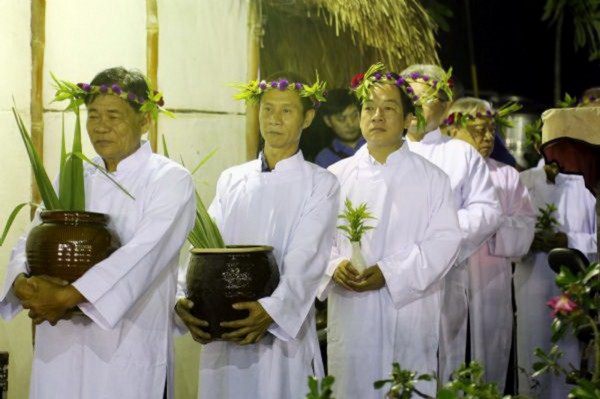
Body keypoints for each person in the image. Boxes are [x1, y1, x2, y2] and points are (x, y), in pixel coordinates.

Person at [0, 67, 195, 399]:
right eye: (93, 115)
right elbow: (33, 237)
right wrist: (21, 282)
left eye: (113, 116)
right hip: (59, 343)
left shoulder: (170, 180)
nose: (100, 127)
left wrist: (65, 296)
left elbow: (142, 256)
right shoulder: (77, 174)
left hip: (126, 346)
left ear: (144, 120)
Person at [175, 72, 339, 399]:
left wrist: (271, 311)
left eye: (287, 111)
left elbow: (306, 259)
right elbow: (206, 249)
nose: (274, 120)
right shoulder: (232, 179)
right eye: (267, 109)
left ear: (307, 118)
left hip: (279, 339)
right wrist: (184, 296)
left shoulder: (320, 184)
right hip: (224, 333)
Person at [318, 63, 462, 398]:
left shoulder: (432, 179)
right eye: (368, 108)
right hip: (352, 314)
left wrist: (389, 273)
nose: (376, 116)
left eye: (389, 108)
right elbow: (316, 239)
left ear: (410, 119)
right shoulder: (335, 176)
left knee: (405, 384)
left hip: (408, 312)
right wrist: (333, 265)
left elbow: (444, 243)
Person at [400, 64, 502, 383]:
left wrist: (439, 234)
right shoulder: (381, 151)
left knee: (444, 364)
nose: (414, 105)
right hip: (390, 279)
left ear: (444, 107)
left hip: (444, 281)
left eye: (424, 98)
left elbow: (487, 211)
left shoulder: (461, 154)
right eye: (408, 97)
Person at [446, 97, 536, 391]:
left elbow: (525, 227)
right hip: (446, 285)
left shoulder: (507, 175)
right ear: (451, 130)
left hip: (491, 284)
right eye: (478, 130)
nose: (487, 137)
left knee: (488, 365)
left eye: (490, 130)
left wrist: (489, 222)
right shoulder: (436, 171)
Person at [514, 150, 596, 398]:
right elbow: (503, 232)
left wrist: (569, 239)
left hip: (572, 287)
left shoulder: (587, 184)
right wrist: (526, 241)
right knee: (532, 349)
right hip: (531, 282)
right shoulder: (522, 181)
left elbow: (597, 238)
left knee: (569, 347)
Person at [313, 89, 364, 168]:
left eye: (355, 115)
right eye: (341, 119)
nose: (350, 124)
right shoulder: (325, 159)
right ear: (328, 121)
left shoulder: (379, 144)